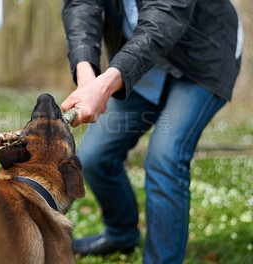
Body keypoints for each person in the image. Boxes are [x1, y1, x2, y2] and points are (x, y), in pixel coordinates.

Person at [61, 0, 243, 263]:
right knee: (93, 156)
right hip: (141, 57)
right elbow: (81, 5)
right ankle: (122, 234)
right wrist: (86, 73)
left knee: (165, 157)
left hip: (203, 56)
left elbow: (165, 15)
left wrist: (105, 87)